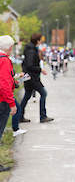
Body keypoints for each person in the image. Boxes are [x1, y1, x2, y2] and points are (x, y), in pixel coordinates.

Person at [20, 33, 54, 123]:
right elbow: (30, 65)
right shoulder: (31, 51)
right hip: (32, 78)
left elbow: (24, 63)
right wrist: (40, 69)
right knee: (43, 93)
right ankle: (43, 116)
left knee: (27, 95)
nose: (41, 41)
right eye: (40, 40)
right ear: (38, 41)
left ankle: (19, 116)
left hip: (28, 76)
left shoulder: (29, 49)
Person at [0, 35, 17, 172]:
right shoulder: (4, 61)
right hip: (2, 101)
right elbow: (4, 84)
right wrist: (12, 103)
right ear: (9, 47)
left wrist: (14, 81)